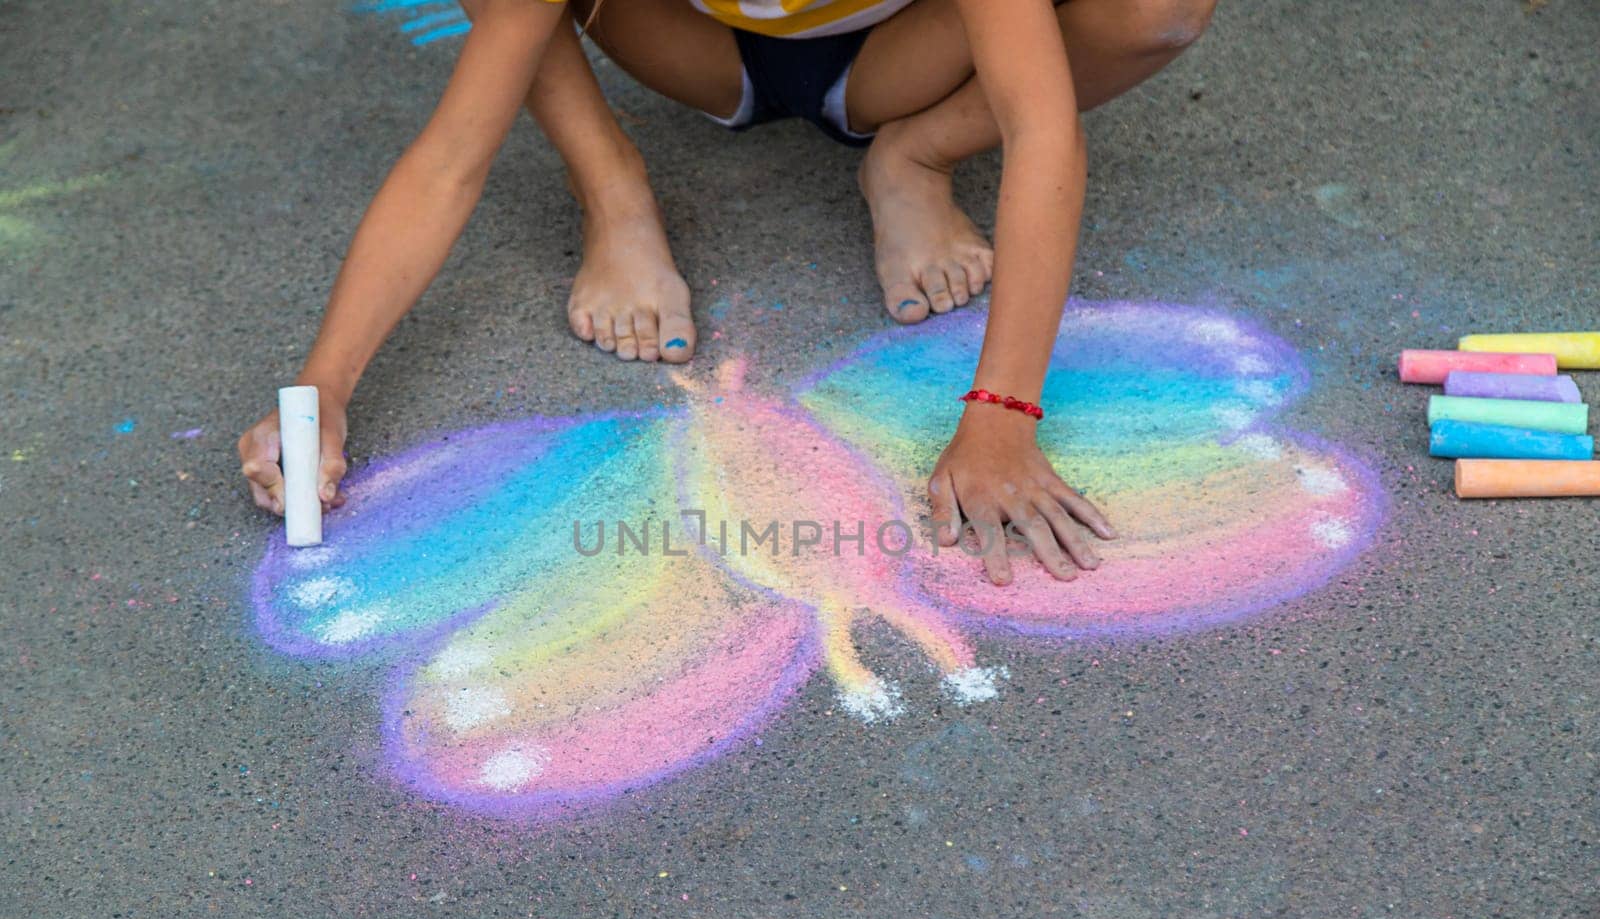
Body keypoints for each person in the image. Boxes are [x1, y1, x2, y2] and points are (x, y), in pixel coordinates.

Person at [240, 0, 1216, 584]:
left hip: (904, 54)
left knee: (1157, 5)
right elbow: (452, 156)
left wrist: (1001, 413)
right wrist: (323, 385)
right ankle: (613, 195)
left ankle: (914, 155)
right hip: (698, 53)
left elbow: (1040, 124)